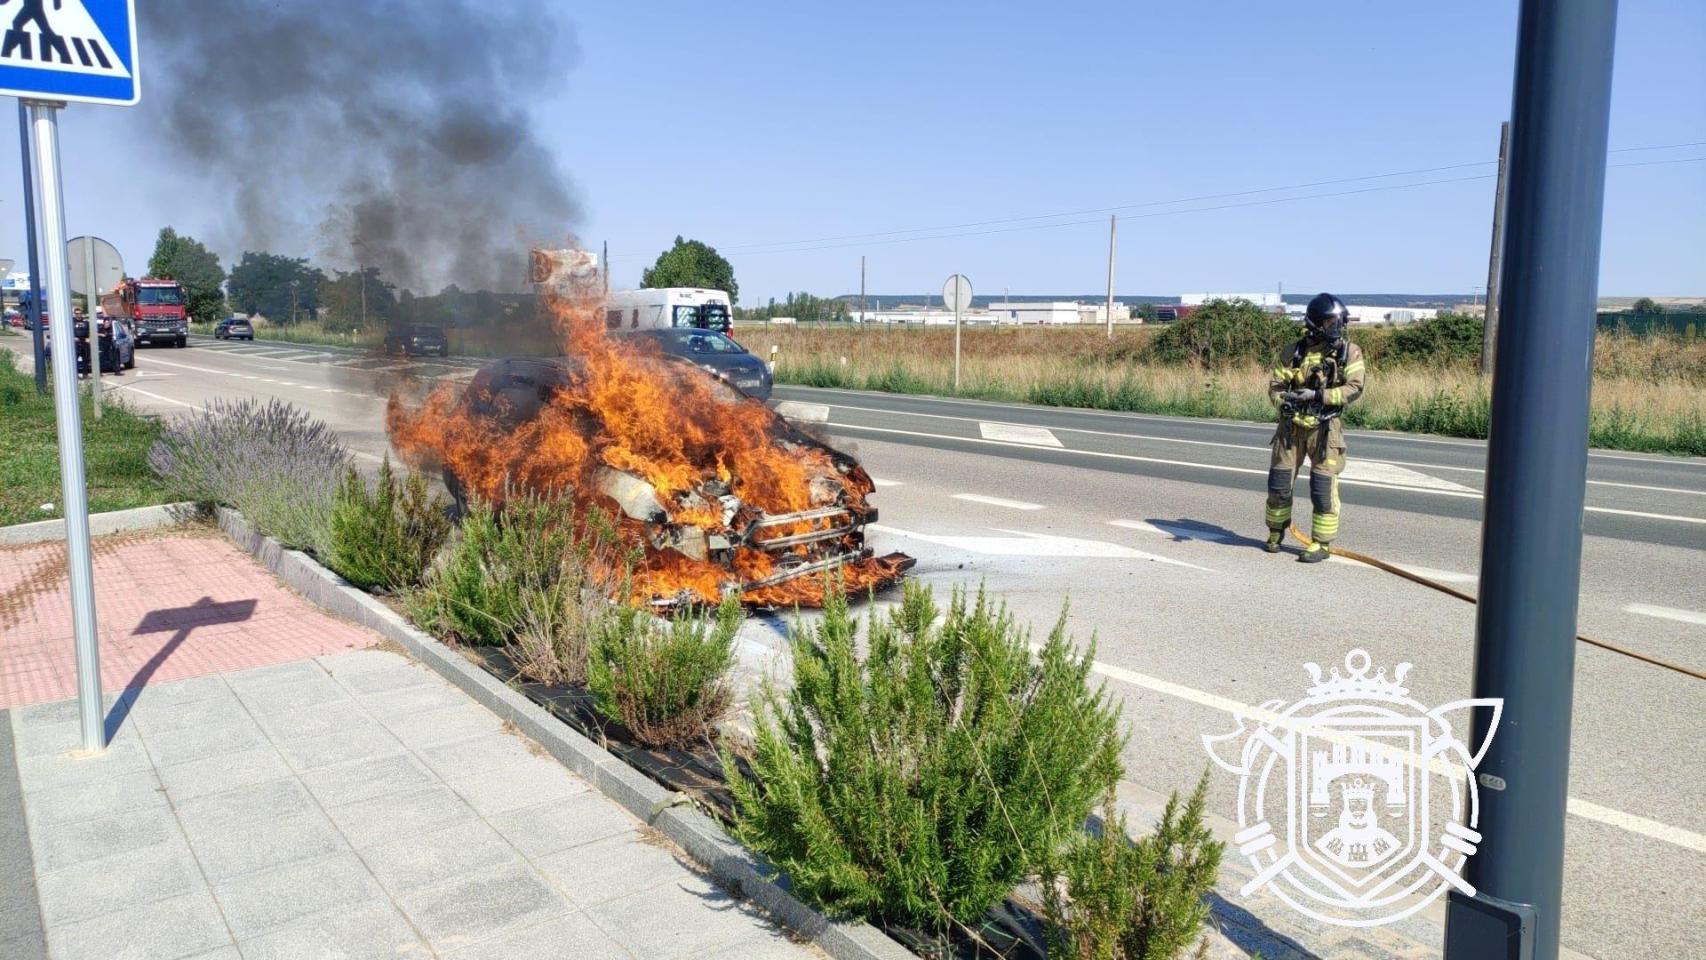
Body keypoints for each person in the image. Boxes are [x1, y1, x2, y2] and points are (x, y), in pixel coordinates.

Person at [1264, 292, 1365, 562]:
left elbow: (1354, 388)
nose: (1338, 329)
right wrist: (1283, 402)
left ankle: (1321, 544)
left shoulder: (1348, 352)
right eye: (1332, 323)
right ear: (1316, 323)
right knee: (1279, 484)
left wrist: (1318, 396)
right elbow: (1275, 387)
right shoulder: (1293, 351)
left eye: (1340, 323)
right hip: (1291, 430)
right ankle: (1276, 531)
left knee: (1322, 488)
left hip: (1325, 430)